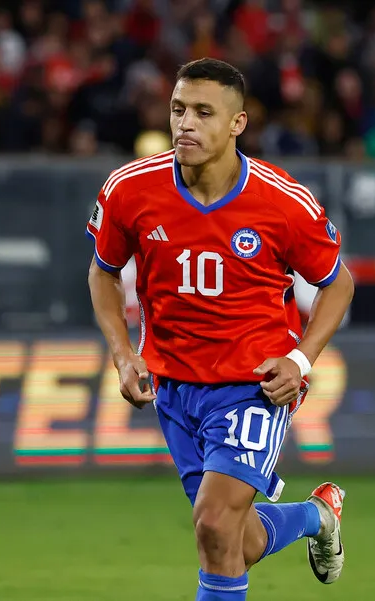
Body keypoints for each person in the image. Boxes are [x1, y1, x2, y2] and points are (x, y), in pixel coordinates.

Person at [86, 58, 355, 601]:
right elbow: (102, 273)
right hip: (175, 386)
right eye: (178, 110)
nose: (185, 123)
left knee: (212, 523)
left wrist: (300, 360)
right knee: (232, 540)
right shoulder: (130, 189)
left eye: (203, 112)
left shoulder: (283, 202)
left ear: (237, 124)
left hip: (254, 383)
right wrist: (122, 352)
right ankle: (315, 516)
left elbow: (337, 283)